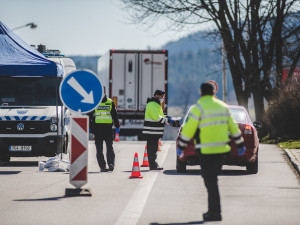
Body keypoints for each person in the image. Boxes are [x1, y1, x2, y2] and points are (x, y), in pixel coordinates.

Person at [177, 82, 245, 221]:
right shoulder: (223, 107)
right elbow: (233, 128)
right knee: (213, 181)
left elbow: (189, 129)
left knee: (211, 182)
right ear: (214, 92)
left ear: (201, 92)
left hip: (206, 151)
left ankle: (215, 213)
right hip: (221, 152)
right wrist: (240, 144)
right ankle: (214, 212)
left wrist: (182, 147)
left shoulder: (199, 108)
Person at [88, 86, 120, 172]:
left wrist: (117, 126)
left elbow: (114, 115)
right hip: (97, 129)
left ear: (105, 91)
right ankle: (102, 166)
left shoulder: (110, 102)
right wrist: (90, 128)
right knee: (99, 149)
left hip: (108, 129)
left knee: (110, 147)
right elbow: (89, 116)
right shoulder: (94, 103)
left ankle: (111, 164)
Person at [142, 90, 167, 170]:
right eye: (162, 96)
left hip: (154, 131)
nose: (162, 98)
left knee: (153, 149)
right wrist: (167, 120)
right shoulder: (153, 104)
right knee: (152, 149)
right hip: (152, 131)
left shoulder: (156, 104)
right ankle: (153, 165)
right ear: (157, 95)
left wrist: (167, 118)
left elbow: (160, 116)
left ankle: (153, 165)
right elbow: (156, 117)